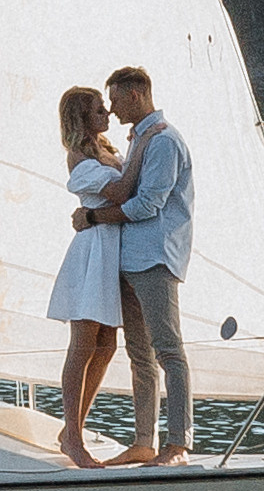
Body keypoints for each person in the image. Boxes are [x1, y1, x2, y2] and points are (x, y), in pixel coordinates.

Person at [74, 65, 194, 466]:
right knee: (139, 356)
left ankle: (177, 444)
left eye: (116, 99)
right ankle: (145, 441)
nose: (111, 108)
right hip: (129, 259)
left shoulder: (162, 142)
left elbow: (147, 205)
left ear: (137, 95)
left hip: (156, 257)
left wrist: (91, 219)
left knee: (169, 353)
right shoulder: (140, 140)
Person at [46, 86, 146, 467]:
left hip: (112, 251)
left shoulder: (108, 151)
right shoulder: (80, 158)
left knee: (106, 346)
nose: (107, 114)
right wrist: (143, 146)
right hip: (93, 252)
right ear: (81, 118)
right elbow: (122, 191)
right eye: (99, 110)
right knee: (84, 343)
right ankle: (73, 436)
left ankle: (72, 428)